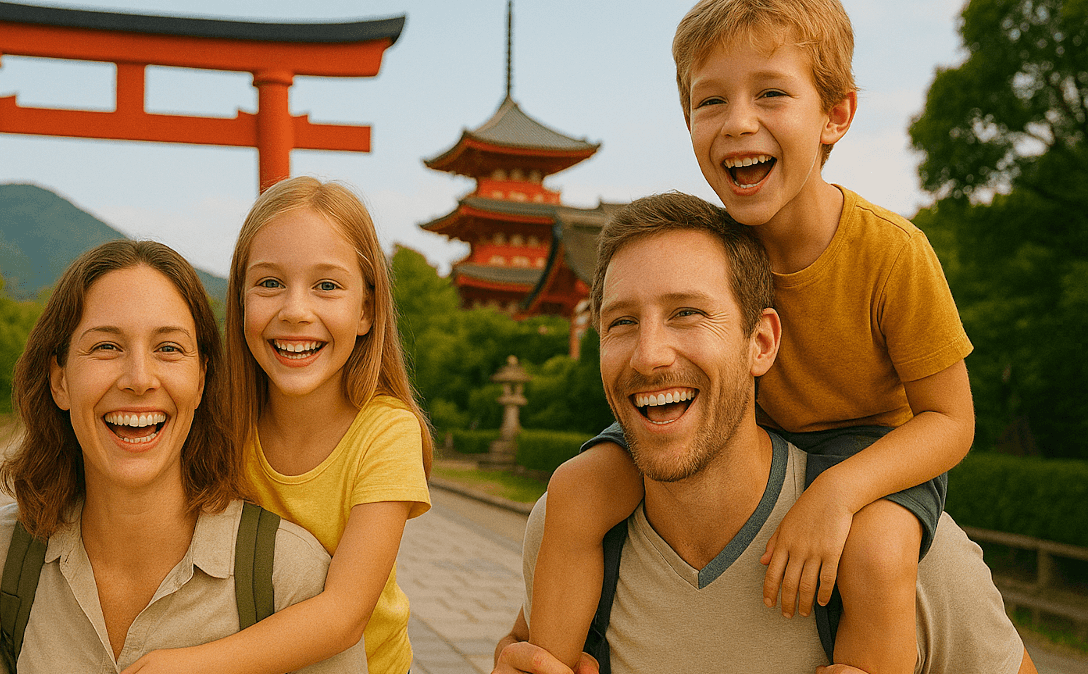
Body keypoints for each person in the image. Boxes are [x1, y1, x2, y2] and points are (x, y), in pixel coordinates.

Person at [528, 0, 976, 671]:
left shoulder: (892, 253)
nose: (738, 121)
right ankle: (547, 658)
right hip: (742, 427)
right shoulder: (712, 253)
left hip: (870, 447)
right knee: (575, 489)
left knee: (879, 552)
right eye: (710, 101)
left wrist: (837, 493)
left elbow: (951, 421)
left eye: (771, 93)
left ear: (836, 115)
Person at [495, 192, 1035, 674]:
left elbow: (950, 417)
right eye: (621, 322)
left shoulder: (906, 555)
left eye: (687, 313)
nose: (649, 355)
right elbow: (525, 649)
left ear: (761, 343)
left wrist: (840, 494)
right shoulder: (571, 527)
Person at [0, 240, 366, 673]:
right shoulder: (1, 558)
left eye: (168, 348)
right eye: (106, 347)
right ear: (60, 381)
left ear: (202, 379)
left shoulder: (289, 576)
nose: (139, 379)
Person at [122, 177, 432, 674]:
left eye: (327, 286)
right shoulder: (221, 419)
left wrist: (187, 666)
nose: (295, 311)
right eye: (269, 284)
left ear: (366, 311)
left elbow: (344, 616)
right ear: (240, 300)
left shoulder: (387, 433)